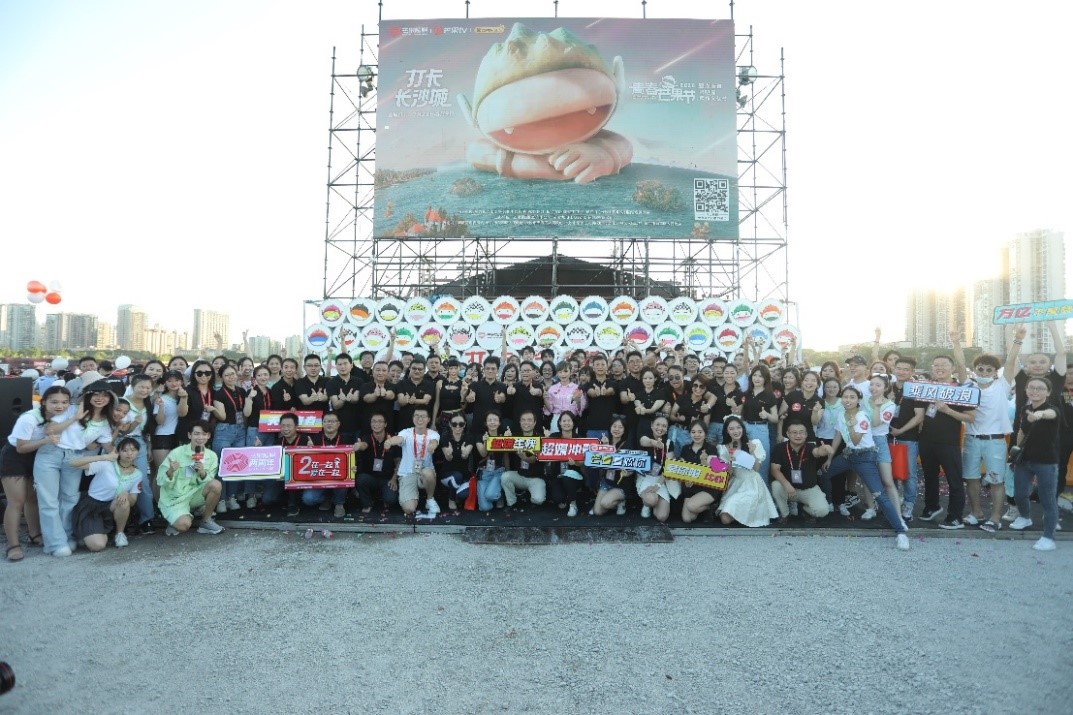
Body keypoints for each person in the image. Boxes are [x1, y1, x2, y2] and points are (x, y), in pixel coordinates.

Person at [821, 387, 910, 550]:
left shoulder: (861, 416)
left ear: (858, 400)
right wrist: (829, 458)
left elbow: (855, 440)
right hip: (848, 455)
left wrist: (851, 426)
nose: (848, 400)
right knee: (823, 473)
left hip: (865, 458)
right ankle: (828, 502)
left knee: (879, 495)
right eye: (845, 397)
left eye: (852, 397)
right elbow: (838, 436)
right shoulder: (841, 414)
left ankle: (900, 532)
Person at [35, 382, 117, 556]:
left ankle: (67, 536)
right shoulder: (72, 409)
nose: (100, 398)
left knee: (70, 499)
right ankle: (55, 543)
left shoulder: (105, 422)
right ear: (88, 395)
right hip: (51, 453)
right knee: (49, 501)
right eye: (96, 394)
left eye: (105, 395)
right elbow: (50, 430)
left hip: (75, 457)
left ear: (110, 398)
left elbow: (108, 446)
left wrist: (125, 452)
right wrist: (75, 418)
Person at [952, 332, 1017, 531]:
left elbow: (1011, 361)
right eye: (981, 368)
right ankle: (976, 513)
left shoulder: (1002, 385)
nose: (985, 372)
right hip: (971, 439)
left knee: (997, 480)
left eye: (989, 369)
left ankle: (995, 518)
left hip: (995, 441)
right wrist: (956, 342)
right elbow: (960, 365)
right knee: (971, 478)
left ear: (996, 372)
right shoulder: (969, 386)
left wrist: (1018, 339)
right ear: (975, 370)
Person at [2, 386, 62, 561]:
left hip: (37, 455)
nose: (60, 406)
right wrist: (46, 440)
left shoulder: (60, 417)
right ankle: (13, 545)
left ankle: (34, 534)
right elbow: (20, 448)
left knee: (32, 498)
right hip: (15, 456)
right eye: (54, 402)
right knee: (16, 501)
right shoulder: (29, 418)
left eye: (64, 402)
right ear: (44, 402)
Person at [917, 355, 976, 528]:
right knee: (929, 476)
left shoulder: (962, 390)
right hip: (926, 440)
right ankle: (932, 506)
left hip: (949, 442)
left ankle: (955, 516)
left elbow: (970, 417)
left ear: (953, 368)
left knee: (954, 480)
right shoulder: (926, 388)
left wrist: (948, 410)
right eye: (936, 364)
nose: (939, 368)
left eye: (944, 364)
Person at [1010, 377, 1061, 551]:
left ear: (1048, 392)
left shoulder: (1053, 410)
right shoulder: (1025, 409)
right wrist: (1016, 450)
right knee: (1019, 494)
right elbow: (1022, 431)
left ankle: (1049, 538)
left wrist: (1040, 415)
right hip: (1025, 459)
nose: (1035, 391)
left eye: (1040, 388)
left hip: (1046, 462)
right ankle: (1025, 517)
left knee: (1047, 499)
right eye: (1031, 387)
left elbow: (1050, 414)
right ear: (1026, 390)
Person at [67, 438, 143, 551]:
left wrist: (126, 494)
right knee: (98, 546)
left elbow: (132, 501)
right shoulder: (107, 464)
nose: (129, 453)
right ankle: (93, 534)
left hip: (110, 506)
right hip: (91, 507)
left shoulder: (137, 474)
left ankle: (119, 534)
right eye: (125, 450)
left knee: (124, 502)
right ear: (118, 452)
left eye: (133, 450)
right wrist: (104, 457)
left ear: (138, 452)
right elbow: (73, 463)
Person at [156, 421, 225, 536]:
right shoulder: (176, 453)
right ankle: (174, 518)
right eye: (196, 434)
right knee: (183, 525)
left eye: (204, 434)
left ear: (208, 436)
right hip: (176, 498)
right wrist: (170, 472)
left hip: (195, 494)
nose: (200, 437)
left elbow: (209, 481)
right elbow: (160, 480)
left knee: (216, 485)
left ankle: (206, 521)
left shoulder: (211, 456)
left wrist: (202, 473)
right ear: (189, 435)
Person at [716, 415, 777, 527]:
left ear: (743, 428)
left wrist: (752, 452)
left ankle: (748, 515)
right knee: (725, 519)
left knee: (731, 516)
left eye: (738, 427)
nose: (736, 431)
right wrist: (730, 462)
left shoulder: (754, 443)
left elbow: (756, 469)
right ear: (727, 431)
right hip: (735, 484)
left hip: (752, 484)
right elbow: (728, 475)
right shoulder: (723, 449)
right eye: (731, 429)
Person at [769, 420, 832, 521]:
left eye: (801, 432)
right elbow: (774, 470)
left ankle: (805, 510)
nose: (798, 435)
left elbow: (818, 452)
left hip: (809, 489)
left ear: (806, 435)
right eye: (794, 432)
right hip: (788, 489)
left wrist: (824, 450)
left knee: (823, 511)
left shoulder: (810, 447)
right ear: (788, 434)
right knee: (776, 485)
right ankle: (785, 514)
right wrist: (787, 485)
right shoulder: (779, 448)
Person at [385, 406, 440, 517]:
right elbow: (398, 438)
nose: (420, 419)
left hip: (424, 472)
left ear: (429, 419)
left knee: (428, 473)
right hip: (407, 473)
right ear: (413, 418)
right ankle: (413, 498)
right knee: (409, 509)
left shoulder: (433, 434)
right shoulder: (406, 432)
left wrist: (432, 447)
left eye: (423, 416)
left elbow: (434, 442)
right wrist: (390, 441)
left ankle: (430, 500)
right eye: (417, 416)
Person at [889, 357, 925, 522]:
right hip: (888, 438)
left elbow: (919, 417)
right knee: (890, 473)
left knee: (909, 473)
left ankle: (908, 504)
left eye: (906, 369)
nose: (901, 372)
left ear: (912, 372)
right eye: (899, 368)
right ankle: (894, 502)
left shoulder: (916, 389)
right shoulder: (888, 387)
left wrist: (901, 431)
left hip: (908, 438)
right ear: (894, 369)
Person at [211, 365, 249, 512]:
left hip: (240, 430)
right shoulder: (219, 393)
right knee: (222, 466)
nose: (231, 377)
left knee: (236, 466)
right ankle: (220, 499)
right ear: (221, 377)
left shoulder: (242, 391)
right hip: (224, 430)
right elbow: (222, 416)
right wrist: (214, 410)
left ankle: (231, 497)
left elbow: (245, 412)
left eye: (233, 373)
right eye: (227, 375)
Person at [501, 410, 548, 510]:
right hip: (520, 476)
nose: (526, 423)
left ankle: (529, 496)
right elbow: (505, 454)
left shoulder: (540, 438)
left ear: (534, 423)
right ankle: (512, 502)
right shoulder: (515, 436)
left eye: (529, 420)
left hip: (536, 478)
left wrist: (524, 458)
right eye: (523, 420)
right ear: (520, 422)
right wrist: (506, 441)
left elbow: (535, 459)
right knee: (505, 477)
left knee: (538, 500)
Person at [678, 420, 722, 524]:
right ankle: (706, 508)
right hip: (691, 488)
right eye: (693, 432)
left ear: (705, 433)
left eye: (700, 432)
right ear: (690, 433)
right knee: (687, 519)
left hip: (708, 487)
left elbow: (717, 470)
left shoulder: (712, 449)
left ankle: (710, 506)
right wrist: (685, 480)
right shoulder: (685, 449)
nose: (696, 435)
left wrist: (705, 462)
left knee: (691, 506)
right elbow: (681, 470)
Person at [354, 412, 398, 514]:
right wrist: (359, 445)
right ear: (370, 424)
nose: (376, 424)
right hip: (371, 477)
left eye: (380, 421)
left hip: (387, 478)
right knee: (360, 478)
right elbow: (364, 445)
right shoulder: (366, 438)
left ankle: (383, 497)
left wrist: (394, 478)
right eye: (373, 421)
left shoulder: (392, 440)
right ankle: (367, 503)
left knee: (390, 500)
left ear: (385, 424)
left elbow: (399, 461)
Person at [740, 365, 778, 483]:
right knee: (745, 459)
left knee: (762, 462)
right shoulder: (746, 394)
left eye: (760, 376)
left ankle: (763, 489)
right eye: (755, 375)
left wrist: (767, 415)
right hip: (745, 427)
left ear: (765, 379)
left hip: (760, 429)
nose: (757, 378)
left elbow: (775, 418)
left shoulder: (769, 395)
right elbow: (740, 413)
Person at [589, 416, 631, 516]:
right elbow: (597, 462)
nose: (617, 429)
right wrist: (605, 447)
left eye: (620, 427)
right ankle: (611, 501)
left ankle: (621, 501)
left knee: (605, 503)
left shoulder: (627, 445)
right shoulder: (604, 441)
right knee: (598, 512)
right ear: (610, 427)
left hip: (620, 484)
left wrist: (628, 473)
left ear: (624, 430)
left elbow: (632, 468)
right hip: (606, 482)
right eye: (614, 426)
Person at [636, 414, 675, 522]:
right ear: (652, 425)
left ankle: (654, 504)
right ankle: (647, 504)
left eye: (664, 426)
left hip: (661, 479)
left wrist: (658, 485)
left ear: (667, 429)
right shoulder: (645, 437)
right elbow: (643, 441)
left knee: (662, 517)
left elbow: (669, 467)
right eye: (657, 424)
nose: (660, 428)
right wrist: (655, 443)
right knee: (651, 500)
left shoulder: (669, 443)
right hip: (645, 477)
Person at [546, 410, 584, 516]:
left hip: (575, 475)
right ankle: (566, 497)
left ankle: (573, 504)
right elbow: (545, 453)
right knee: (558, 498)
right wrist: (546, 440)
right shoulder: (553, 436)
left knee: (568, 476)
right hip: (558, 474)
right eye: (564, 421)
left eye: (569, 420)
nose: (566, 423)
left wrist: (576, 463)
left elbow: (582, 462)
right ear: (559, 423)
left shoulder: (579, 438)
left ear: (573, 423)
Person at [473, 410, 511, 513]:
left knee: (490, 495)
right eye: (489, 420)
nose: (492, 422)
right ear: (486, 423)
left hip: (498, 472)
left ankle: (499, 495)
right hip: (484, 473)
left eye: (495, 420)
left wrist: (509, 439)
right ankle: (495, 493)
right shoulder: (480, 437)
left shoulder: (503, 436)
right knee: (485, 508)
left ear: (499, 423)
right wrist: (486, 443)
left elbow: (506, 456)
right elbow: (483, 454)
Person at [434, 413, 474, 510]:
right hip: (447, 474)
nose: (457, 427)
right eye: (454, 424)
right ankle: (451, 499)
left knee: (463, 494)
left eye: (461, 424)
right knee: (457, 476)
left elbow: (465, 456)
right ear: (450, 424)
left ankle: (455, 493)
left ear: (465, 424)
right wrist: (449, 454)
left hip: (464, 474)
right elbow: (449, 459)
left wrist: (464, 453)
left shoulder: (469, 436)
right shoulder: (445, 436)